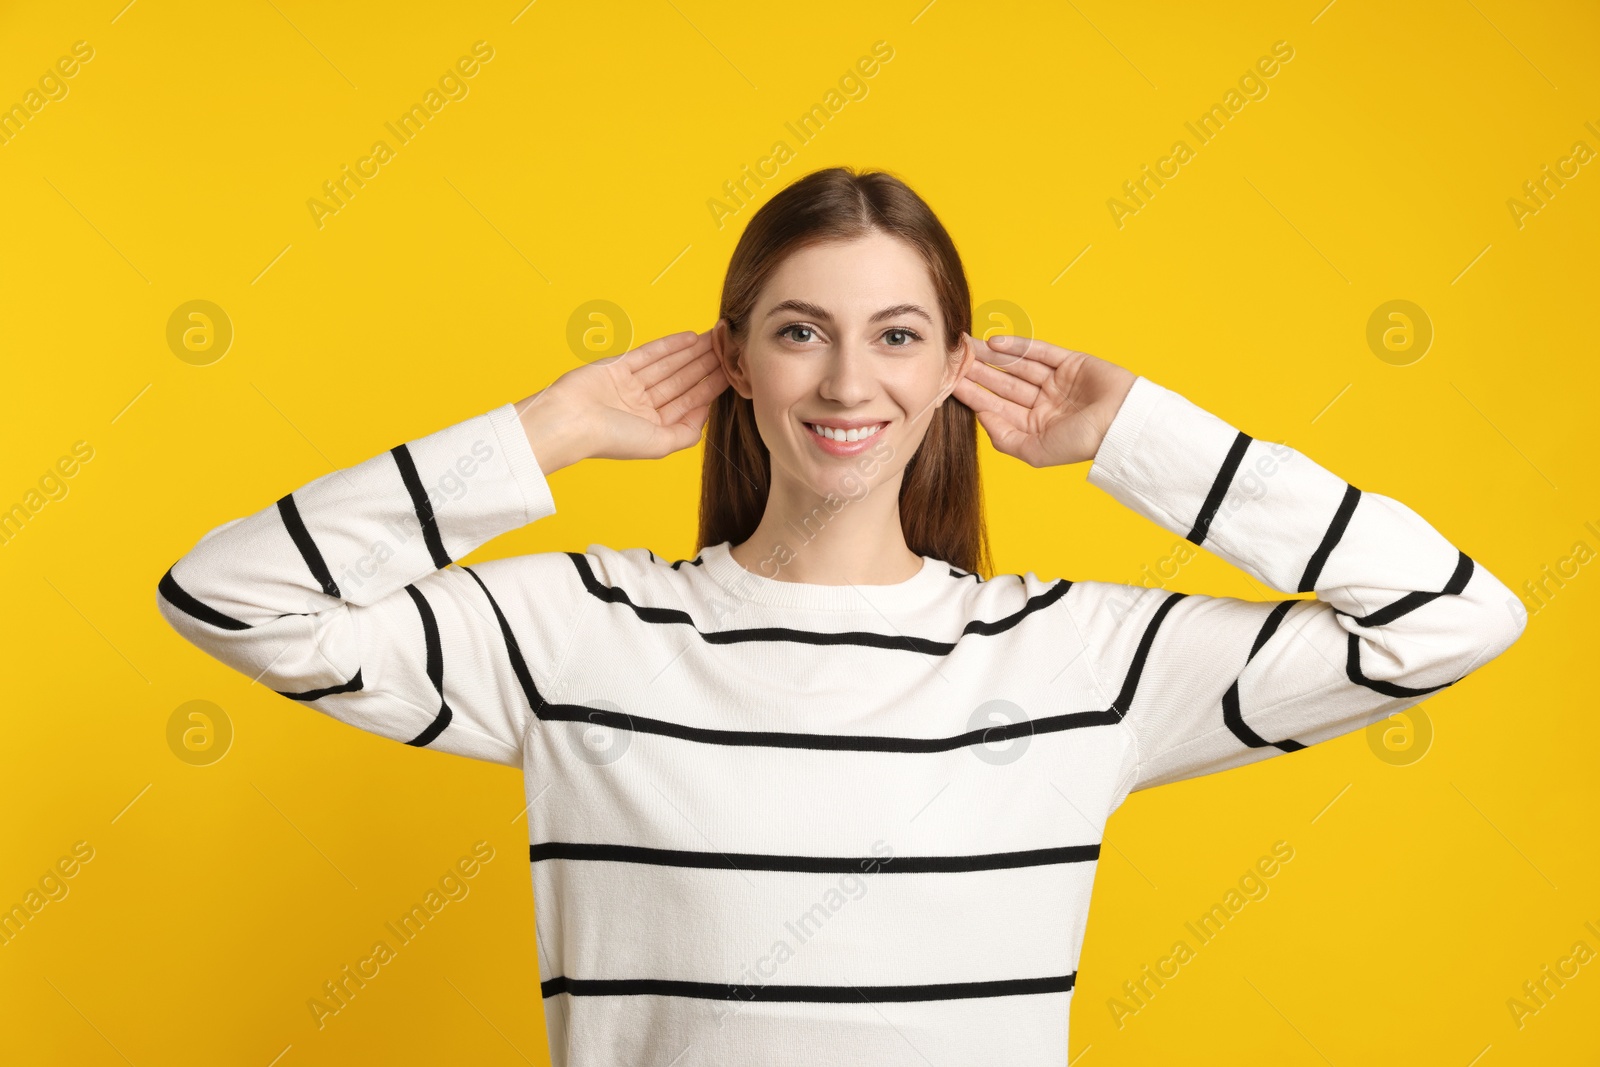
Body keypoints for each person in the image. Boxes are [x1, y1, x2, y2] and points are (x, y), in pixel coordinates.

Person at [155, 167, 1526, 1065]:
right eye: (800, 330)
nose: (845, 381)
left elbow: (1447, 619)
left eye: (897, 334)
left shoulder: (1078, 664)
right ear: (735, 364)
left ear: (952, 372)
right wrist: (552, 427)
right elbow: (233, 593)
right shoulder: (576, 634)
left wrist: (1144, 439)